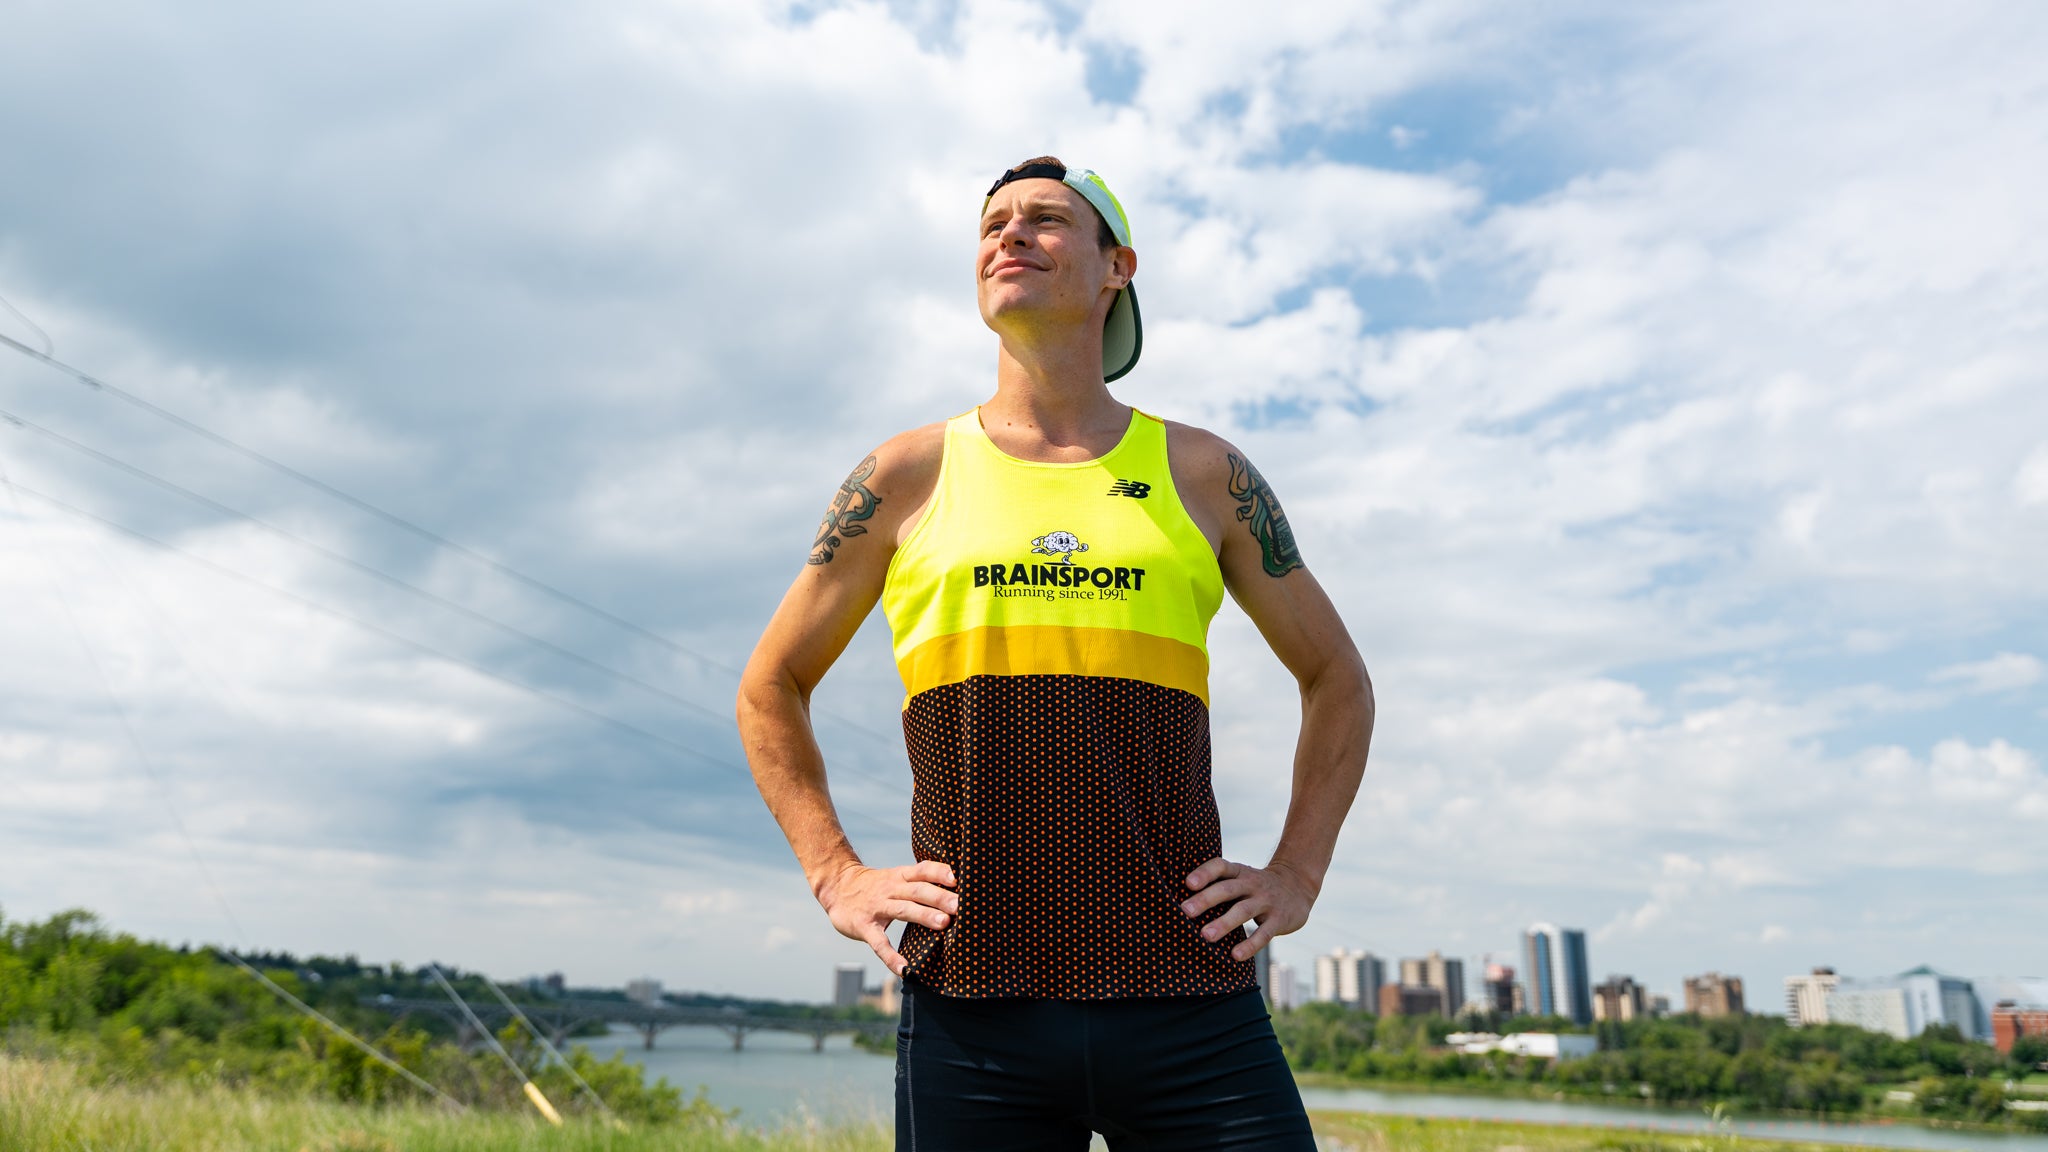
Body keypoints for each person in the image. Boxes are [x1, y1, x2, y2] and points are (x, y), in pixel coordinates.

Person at [738, 156, 1374, 1149]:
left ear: (1117, 266)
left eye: (1044, 219)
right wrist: (836, 873)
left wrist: (1296, 872)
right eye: (992, 223)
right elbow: (769, 685)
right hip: (970, 1007)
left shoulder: (1204, 473)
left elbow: (1337, 680)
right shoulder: (904, 474)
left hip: (1190, 992)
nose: (1009, 234)